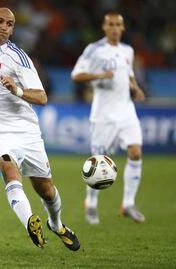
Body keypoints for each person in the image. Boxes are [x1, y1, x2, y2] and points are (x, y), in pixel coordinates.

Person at [0, 7, 80, 250]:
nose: (4, 27)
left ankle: (56, 224)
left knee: (47, 190)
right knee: (9, 168)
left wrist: (16, 91)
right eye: (0, 21)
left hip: (26, 131)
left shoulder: (18, 57)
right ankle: (30, 221)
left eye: (9, 24)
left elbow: (42, 97)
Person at [71, 12, 146, 225]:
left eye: (118, 25)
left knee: (135, 152)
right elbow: (76, 75)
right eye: (110, 24)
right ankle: (91, 203)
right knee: (98, 162)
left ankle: (128, 203)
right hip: (103, 115)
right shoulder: (94, 50)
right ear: (104, 28)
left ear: (122, 28)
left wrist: (135, 87)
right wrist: (100, 76)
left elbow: (128, 72)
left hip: (126, 111)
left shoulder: (127, 51)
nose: (114, 28)